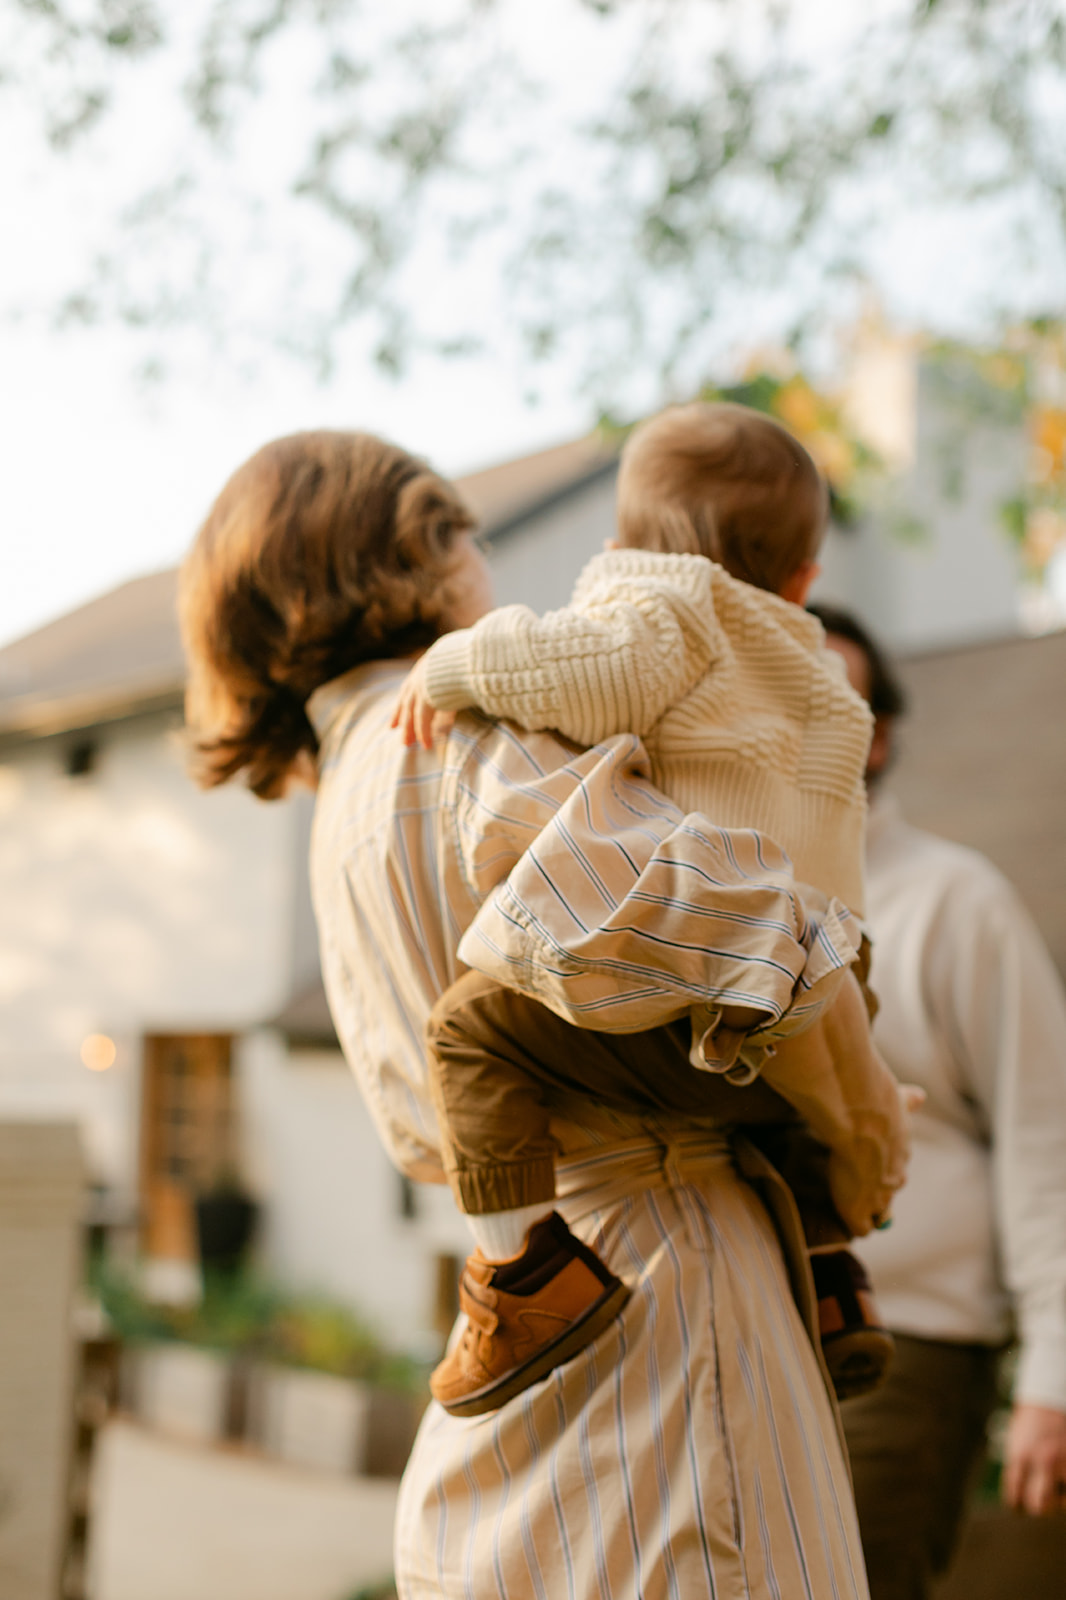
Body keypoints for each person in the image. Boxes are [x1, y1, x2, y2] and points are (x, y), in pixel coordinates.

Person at [180, 427, 880, 1598]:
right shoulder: (461, 728)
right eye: (465, 530)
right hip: (666, 1282)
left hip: (520, 1298)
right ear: (414, 549)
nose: (484, 561)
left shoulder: (341, 794)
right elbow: (722, 922)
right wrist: (861, 1123)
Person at [392, 401, 910, 1415]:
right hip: (827, 993)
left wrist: (449, 662)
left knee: (466, 1034)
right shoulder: (823, 679)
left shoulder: (670, 611)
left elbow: (578, 674)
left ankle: (522, 1281)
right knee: (791, 1109)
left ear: (622, 545)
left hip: (697, 1000)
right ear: (802, 580)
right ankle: (834, 1275)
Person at [810, 601, 1066, 1599]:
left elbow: (1046, 1134)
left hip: (907, 1350)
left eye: (830, 696)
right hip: (737, 1331)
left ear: (876, 737)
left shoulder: (958, 903)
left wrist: (1051, 1374)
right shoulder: (715, 891)